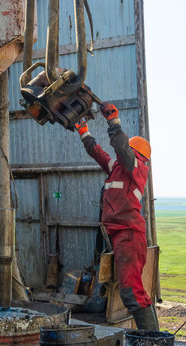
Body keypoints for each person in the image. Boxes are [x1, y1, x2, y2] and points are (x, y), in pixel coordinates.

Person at [75, 102, 159, 330]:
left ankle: (153, 340)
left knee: (131, 292)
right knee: (134, 291)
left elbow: (122, 148)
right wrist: (84, 131)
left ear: (135, 153)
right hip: (118, 235)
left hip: (129, 235)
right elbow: (97, 152)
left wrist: (113, 121)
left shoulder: (137, 168)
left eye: (128, 150)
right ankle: (153, 337)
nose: (124, 152)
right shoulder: (116, 167)